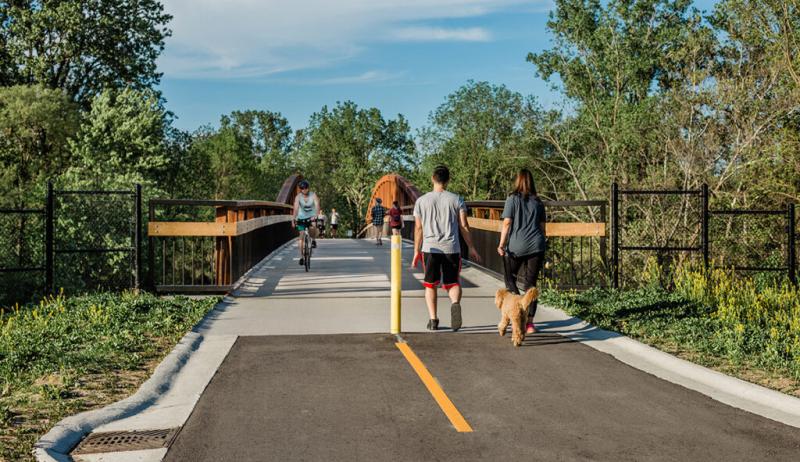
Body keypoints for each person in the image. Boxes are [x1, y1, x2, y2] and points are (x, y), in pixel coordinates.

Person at [411, 165, 481, 331]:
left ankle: (433, 320)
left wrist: (416, 251)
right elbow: (463, 225)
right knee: (453, 283)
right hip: (452, 248)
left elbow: (418, 228)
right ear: (448, 180)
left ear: (432, 179)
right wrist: (471, 247)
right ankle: (455, 303)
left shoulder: (421, 201)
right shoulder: (457, 200)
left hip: (430, 249)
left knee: (430, 285)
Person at [497, 169, 546, 334]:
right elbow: (543, 228)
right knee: (530, 286)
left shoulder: (512, 199)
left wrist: (501, 244)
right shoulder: (538, 202)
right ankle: (530, 324)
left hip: (516, 247)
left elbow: (506, 223)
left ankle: (516, 310)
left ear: (518, 181)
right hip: (536, 246)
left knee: (509, 278)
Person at [292, 180, 320, 266]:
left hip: (311, 216)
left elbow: (317, 205)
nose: (305, 190)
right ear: (300, 189)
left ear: (308, 188)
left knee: (313, 226)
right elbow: (296, 208)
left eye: (306, 188)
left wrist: (316, 215)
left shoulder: (313, 195)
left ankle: (313, 240)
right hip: (301, 218)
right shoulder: (298, 197)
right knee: (301, 236)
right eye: (302, 188)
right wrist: (293, 219)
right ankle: (301, 257)